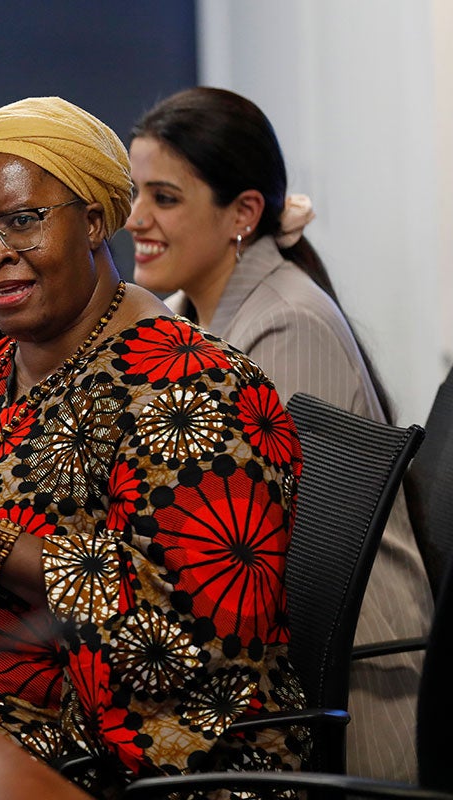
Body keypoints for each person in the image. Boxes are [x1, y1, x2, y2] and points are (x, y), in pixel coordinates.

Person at [0, 96, 309, 790]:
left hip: (105, 768)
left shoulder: (193, 390)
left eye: (22, 221)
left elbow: (182, 641)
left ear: (96, 220)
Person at [126, 85, 432, 782]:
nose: (135, 219)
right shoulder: (188, 314)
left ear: (243, 214)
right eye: (135, 192)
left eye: (164, 198)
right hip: (265, 648)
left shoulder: (283, 322)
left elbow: (247, 535)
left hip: (341, 680)